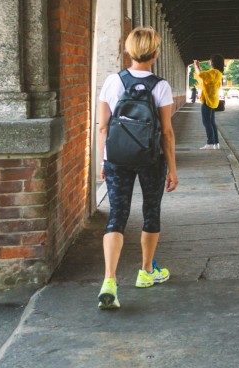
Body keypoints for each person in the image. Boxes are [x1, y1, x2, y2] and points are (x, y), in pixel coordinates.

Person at [96, 26, 178, 310]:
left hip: (117, 158)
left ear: (128, 51)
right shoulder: (161, 86)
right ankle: (146, 272)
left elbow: (103, 126)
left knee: (117, 215)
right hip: (151, 158)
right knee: (150, 212)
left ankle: (109, 280)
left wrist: (103, 161)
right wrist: (173, 169)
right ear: (155, 53)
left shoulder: (112, 82)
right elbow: (167, 132)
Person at [193, 55, 224, 150]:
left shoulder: (213, 72)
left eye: (210, 61)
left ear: (214, 62)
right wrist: (198, 67)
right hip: (213, 100)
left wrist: (196, 66)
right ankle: (216, 143)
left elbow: (201, 75)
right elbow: (205, 78)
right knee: (212, 122)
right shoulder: (218, 73)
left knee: (206, 122)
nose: (209, 62)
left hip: (207, 100)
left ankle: (210, 143)